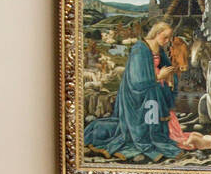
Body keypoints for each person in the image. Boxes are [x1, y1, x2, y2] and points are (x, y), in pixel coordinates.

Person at [83, 21, 194, 162]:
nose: (167, 42)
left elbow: (166, 66)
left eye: (168, 38)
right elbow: (137, 79)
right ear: (157, 33)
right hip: (137, 94)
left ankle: (157, 138)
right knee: (146, 120)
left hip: (153, 90)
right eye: (165, 37)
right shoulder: (139, 49)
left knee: (155, 116)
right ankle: (146, 141)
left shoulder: (158, 49)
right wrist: (159, 76)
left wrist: (170, 78)